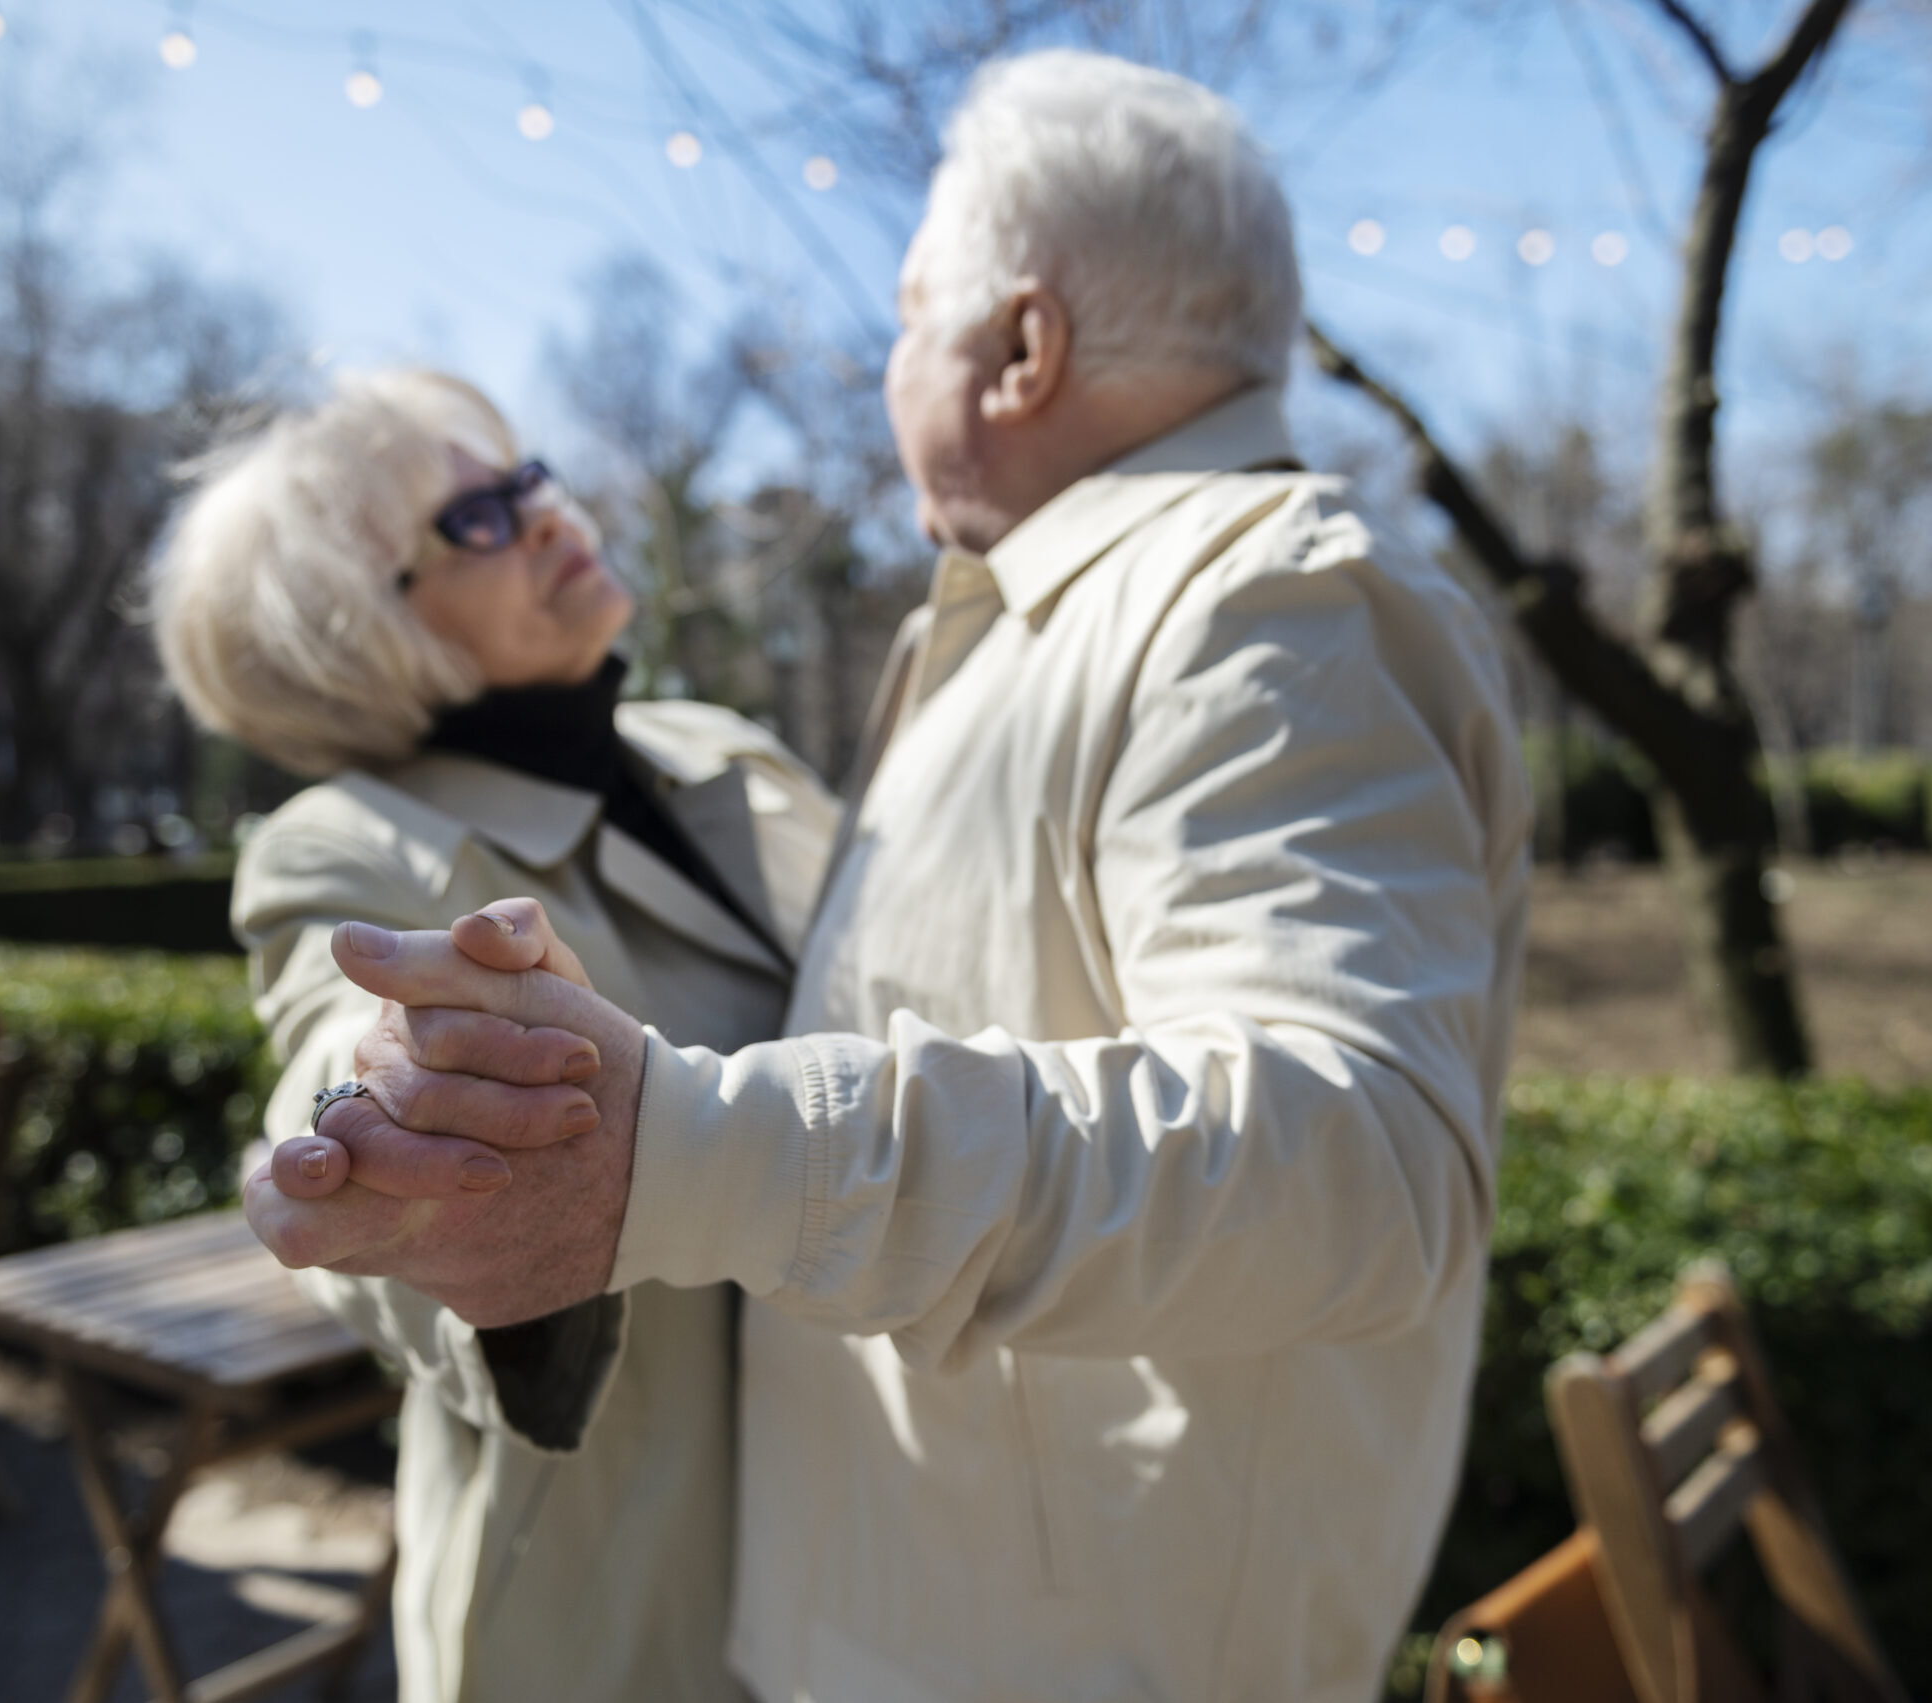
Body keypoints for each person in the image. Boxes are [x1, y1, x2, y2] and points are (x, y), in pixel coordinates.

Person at [255, 49, 1534, 1703]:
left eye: (910, 312)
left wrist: (697, 1151)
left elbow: (1358, 1152)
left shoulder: (1254, 607)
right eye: (477, 517)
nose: (886, 364)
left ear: (1020, 347)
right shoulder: (1043, 627)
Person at [148, 367, 838, 1703]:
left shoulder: (721, 748)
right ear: (357, 624)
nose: (541, 511)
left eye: (525, 477)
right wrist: (410, 1126)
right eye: (473, 514)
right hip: (620, 1600)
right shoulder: (346, 844)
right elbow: (342, 1041)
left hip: (900, 1533)